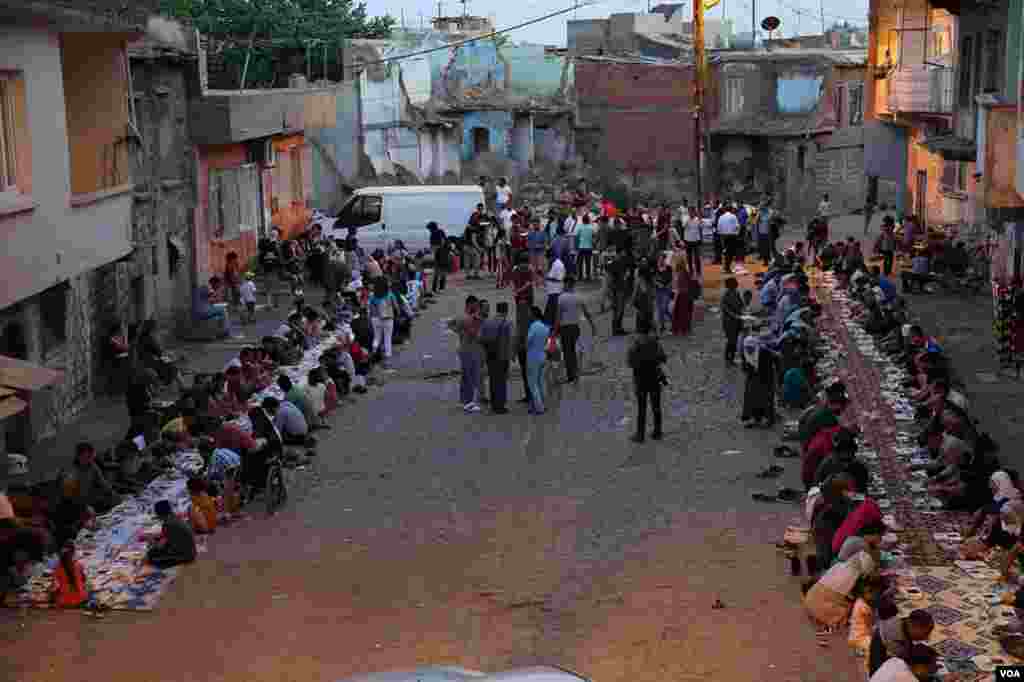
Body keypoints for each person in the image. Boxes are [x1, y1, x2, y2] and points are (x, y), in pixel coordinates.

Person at [803, 548, 876, 632]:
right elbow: (854, 597)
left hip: (810, 598)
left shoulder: (839, 565)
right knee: (851, 608)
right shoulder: (853, 577)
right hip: (822, 608)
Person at [627, 319, 667, 442]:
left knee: (642, 408)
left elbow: (630, 362)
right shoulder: (655, 342)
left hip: (640, 378)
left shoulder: (635, 344)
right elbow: (663, 358)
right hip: (654, 376)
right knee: (656, 406)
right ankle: (657, 431)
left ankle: (640, 434)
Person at [867, 611, 936, 677]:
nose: (927, 638)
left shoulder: (904, 623)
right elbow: (898, 663)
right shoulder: (893, 637)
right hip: (881, 667)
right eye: (925, 633)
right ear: (913, 626)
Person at [555, 277, 597, 385]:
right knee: (573, 351)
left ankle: (571, 376)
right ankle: (574, 374)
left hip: (565, 328)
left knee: (568, 352)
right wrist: (593, 325)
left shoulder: (561, 298)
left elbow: (558, 316)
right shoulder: (578, 297)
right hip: (575, 328)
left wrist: (555, 330)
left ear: (567, 284)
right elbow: (587, 313)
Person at [63, 442, 120, 514]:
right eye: (88, 457)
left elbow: (104, 484)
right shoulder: (70, 471)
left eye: (92, 457)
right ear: (78, 456)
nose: (91, 460)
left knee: (114, 502)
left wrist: (115, 495)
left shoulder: (92, 466)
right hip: (76, 506)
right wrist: (84, 507)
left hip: (90, 501)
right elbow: (69, 497)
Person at [449, 296, 483, 414]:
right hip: (470, 350)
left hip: (464, 348)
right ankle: (469, 402)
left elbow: (451, 324)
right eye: (476, 305)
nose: (477, 307)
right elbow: (475, 334)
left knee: (466, 376)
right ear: (470, 305)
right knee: (471, 376)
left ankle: (464, 400)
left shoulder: (461, 317)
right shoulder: (469, 319)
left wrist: (459, 332)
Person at [510, 253, 535, 405]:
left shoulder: (519, 269)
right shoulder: (526, 269)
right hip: (524, 300)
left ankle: (531, 396)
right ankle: (531, 395)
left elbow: (526, 284)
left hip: (523, 300)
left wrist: (517, 292)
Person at [480, 301, 513, 414]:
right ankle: (500, 405)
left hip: (490, 355)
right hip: (502, 356)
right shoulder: (507, 323)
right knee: (501, 381)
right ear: (506, 310)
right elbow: (510, 341)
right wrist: (511, 355)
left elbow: (480, 338)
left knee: (493, 380)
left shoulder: (487, 322)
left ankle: (494, 404)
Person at [145, 500, 197, 569]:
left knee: (151, 555)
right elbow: (169, 537)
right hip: (192, 550)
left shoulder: (167, 524)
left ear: (159, 514)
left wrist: (152, 543)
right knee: (155, 551)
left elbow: (160, 546)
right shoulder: (175, 517)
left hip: (187, 556)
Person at [740, 336, 777, 428]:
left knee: (766, 397)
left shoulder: (764, 352)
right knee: (752, 398)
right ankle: (756, 418)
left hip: (766, 377)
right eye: (747, 348)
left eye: (751, 348)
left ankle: (769, 419)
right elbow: (744, 366)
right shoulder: (744, 353)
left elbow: (775, 359)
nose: (749, 350)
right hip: (752, 377)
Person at [848, 578, 883, 665]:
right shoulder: (864, 607)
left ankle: (860, 651)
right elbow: (871, 624)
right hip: (860, 637)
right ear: (863, 594)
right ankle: (868, 664)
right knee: (874, 647)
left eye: (874, 591)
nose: (874, 594)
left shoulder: (860, 602)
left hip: (856, 635)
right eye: (870, 592)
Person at [868, 644, 939, 682]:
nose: (930, 672)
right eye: (929, 669)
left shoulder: (894, 660)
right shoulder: (910, 679)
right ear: (919, 666)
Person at [525, 306, 550, 416]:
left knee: (532, 383)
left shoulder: (533, 326)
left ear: (534, 314)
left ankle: (539, 407)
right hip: (542, 355)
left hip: (533, 357)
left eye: (529, 313)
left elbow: (528, 341)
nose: (528, 315)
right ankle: (542, 404)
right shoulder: (545, 327)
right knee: (540, 382)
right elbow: (547, 342)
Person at [50, 540, 88, 608]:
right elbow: (84, 580)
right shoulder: (78, 565)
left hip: (64, 601)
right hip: (80, 599)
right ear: (73, 553)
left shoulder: (57, 568)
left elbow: (55, 587)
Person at [368, 278, 397, 363]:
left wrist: (370, 318)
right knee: (387, 338)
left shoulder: (373, 296)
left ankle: (374, 352)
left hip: (376, 319)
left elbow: (371, 309)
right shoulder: (390, 294)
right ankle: (388, 358)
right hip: (388, 318)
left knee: (377, 337)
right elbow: (396, 306)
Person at [721, 277, 745, 366]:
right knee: (731, 341)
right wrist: (736, 316)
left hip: (736, 321)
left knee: (734, 341)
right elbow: (726, 310)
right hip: (729, 322)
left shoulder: (736, 292)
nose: (737, 283)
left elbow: (741, 304)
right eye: (735, 282)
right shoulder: (725, 296)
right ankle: (728, 358)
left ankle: (731, 358)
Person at [544, 250, 566, 326]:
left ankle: (553, 328)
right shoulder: (554, 263)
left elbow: (559, 279)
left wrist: (547, 278)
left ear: (552, 256)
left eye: (548, 258)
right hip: (552, 292)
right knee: (550, 313)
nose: (548, 260)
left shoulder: (558, 265)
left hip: (556, 292)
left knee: (552, 313)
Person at [717, 204, 740, 273]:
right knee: (730, 253)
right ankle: (727, 268)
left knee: (725, 251)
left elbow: (719, 227)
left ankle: (725, 267)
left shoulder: (721, 217)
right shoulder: (733, 216)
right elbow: (737, 226)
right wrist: (737, 233)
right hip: (731, 236)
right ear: (731, 210)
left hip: (723, 236)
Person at [428, 222, 449, 293]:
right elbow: (444, 242)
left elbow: (433, 247)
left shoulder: (433, 234)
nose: (429, 230)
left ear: (431, 228)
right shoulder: (441, 231)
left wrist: (435, 251)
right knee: (443, 272)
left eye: (429, 229)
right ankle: (441, 288)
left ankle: (434, 289)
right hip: (444, 254)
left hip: (439, 255)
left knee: (437, 273)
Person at [682, 206, 703, 275]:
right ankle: (691, 271)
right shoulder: (685, 218)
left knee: (697, 257)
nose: (691, 213)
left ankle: (698, 271)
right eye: (690, 211)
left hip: (696, 240)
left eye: (692, 211)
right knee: (689, 257)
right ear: (688, 212)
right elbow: (683, 226)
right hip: (688, 240)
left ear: (694, 212)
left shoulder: (697, 219)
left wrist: (700, 219)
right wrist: (689, 219)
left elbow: (701, 227)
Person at [576, 214, 595, 281]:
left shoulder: (580, 227)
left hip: (581, 247)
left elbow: (577, 235)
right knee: (588, 262)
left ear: (583, 220)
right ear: (588, 220)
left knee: (580, 262)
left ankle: (580, 276)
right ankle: (588, 276)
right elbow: (594, 235)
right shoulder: (591, 227)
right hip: (589, 247)